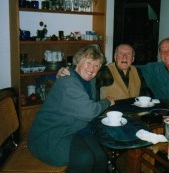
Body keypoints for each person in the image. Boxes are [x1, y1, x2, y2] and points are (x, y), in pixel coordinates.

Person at [28, 45, 115, 173]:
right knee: (84, 159)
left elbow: (107, 76)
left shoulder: (90, 80)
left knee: (101, 158)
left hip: (76, 127)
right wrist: (107, 102)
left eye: (97, 65)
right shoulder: (67, 82)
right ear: (77, 62)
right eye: (88, 63)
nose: (92, 68)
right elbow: (89, 111)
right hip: (52, 133)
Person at [57, 43, 151, 100]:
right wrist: (68, 73)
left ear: (133, 58)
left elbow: (145, 93)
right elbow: (84, 76)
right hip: (111, 117)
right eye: (121, 54)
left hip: (134, 115)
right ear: (115, 57)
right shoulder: (105, 71)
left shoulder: (137, 71)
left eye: (128, 54)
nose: (124, 57)